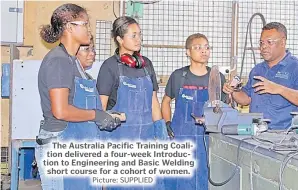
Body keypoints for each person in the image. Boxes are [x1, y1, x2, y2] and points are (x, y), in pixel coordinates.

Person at [35, 4, 120, 190]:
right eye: (85, 24)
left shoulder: (73, 62)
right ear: (69, 27)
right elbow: (61, 110)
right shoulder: (59, 60)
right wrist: (97, 115)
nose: (89, 30)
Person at [96, 16, 168, 189]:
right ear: (119, 39)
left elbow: (153, 102)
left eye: (140, 35)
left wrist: (161, 133)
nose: (139, 40)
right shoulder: (109, 67)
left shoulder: (146, 65)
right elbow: (100, 108)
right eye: (133, 35)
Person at [161, 33, 230, 190]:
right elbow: (165, 101)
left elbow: (224, 106)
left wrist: (230, 93)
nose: (203, 51)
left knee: (206, 178)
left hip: (208, 139)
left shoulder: (216, 77)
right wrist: (167, 123)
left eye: (206, 47)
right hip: (182, 138)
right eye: (198, 47)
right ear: (187, 52)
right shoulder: (179, 76)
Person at [223, 22, 298, 130]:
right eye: (261, 42)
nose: (264, 47)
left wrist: (279, 89)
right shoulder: (257, 70)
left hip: (285, 138)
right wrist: (233, 90)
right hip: (256, 133)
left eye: (269, 42)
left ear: (283, 42)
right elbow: (247, 99)